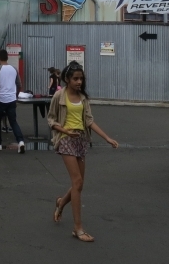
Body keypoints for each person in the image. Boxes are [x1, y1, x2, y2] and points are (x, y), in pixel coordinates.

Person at [48, 61, 118, 241]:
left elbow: (89, 121)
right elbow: (51, 120)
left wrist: (107, 138)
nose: (79, 82)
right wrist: (65, 131)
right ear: (67, 79)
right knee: (77, 181)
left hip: (80, 141)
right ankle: (77, 228)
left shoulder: (84, 98)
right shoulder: (59, 96)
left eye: (81, 79)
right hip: (65, 140)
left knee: (79, 185)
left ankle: (60, 203)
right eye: (75, 78)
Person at [0, 49, 25, 153]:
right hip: (12, 99)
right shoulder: (14, 69)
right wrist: (15, 95)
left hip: (0, 99)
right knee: (13, 121)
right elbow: (19, 84)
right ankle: (20, 141)